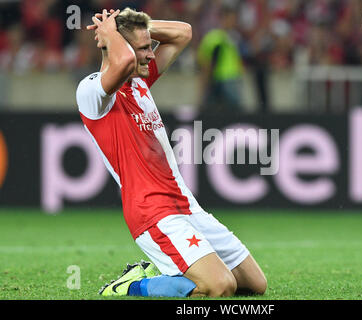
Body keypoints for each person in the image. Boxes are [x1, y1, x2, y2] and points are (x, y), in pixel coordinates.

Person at [75, 8, 266, 298]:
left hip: (185, 204)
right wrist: (112, 32)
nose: (151, 54)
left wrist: (135, 27)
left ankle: (165, 269)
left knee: (254, 284)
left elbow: (183, 33)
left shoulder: (139, 82)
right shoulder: (92, 93)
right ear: (119, 47)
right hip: (151, 212)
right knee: (220, 286)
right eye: (143, 49)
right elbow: (124, 60)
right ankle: (132, 286)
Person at [197, 5, 244, 113]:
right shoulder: (213, 38)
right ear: (223, 18)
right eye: (231, 19)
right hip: (220, 80)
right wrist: (204, 85)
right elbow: (206, 64)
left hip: (232, 78)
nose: (233, 22)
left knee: (231, 111)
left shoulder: (233, 37)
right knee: (226, 111)